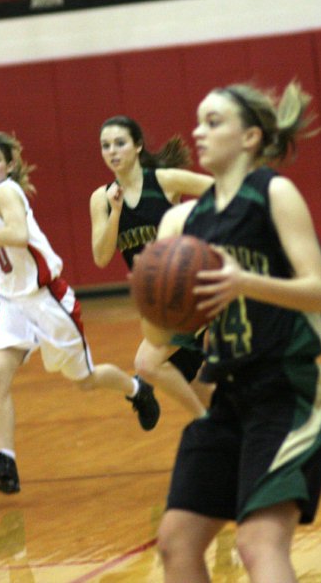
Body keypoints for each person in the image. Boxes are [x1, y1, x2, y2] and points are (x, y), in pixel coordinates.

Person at [148, 81, 321, 583]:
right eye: (198, 121)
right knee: (176, 544)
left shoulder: (272, 194)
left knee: (258, 542)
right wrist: (156, 297)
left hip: (289, 390)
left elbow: (320, 292)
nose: (199, 132)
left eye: (214, 122)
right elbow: (160, 337)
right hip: (230, 398)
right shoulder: (181, 222)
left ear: (251, 138)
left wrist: (244, 281)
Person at [0, 131, 161, 495]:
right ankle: (6, 462)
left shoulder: (8, 192)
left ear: (9, 166)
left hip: (46, 300)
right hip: (11, 303)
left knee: (85, 380)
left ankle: (137, 390)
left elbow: (17, 233)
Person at [89, 116, 214, 420]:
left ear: (138, 146)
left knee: (146, 364)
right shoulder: (101, 199)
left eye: (120, 143)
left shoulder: (165, 180)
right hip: (157, 302)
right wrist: (116, 211)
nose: (112, 151)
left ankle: (205, 426)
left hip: (189, 289)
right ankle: (220, 429)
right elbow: (101, 257)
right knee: (198, 384)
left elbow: (221, 192)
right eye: (106, 145)